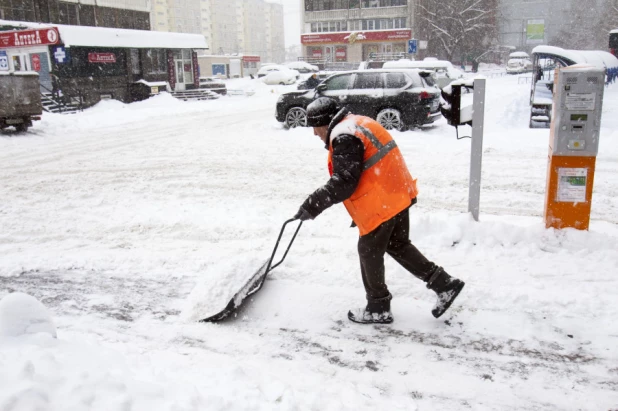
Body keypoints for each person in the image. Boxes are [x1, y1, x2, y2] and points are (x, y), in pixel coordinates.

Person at [293, 97, 465, 324]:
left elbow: (344, 182)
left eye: (315, 128)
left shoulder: (345, 136)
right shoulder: (357, 123)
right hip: (398, 194)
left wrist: (312, 205)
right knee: (397, 245)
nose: (315, 134)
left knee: (369, 250)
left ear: (324, 123)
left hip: (382, 201)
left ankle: (378, 306)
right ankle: (444, 284)